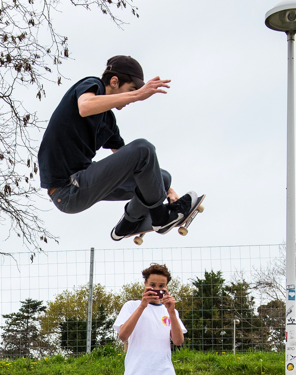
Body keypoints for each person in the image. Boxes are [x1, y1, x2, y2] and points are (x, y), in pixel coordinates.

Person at [39, 55, 203, 242]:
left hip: (86, 184)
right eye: (130, 90)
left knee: (161, 177)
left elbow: (137, 164)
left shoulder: (108, 121)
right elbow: (85, 107)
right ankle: (161, 218)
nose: (130, 99)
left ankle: (129, 223)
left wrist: (167, 190)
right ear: (114, 81)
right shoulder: (92, 85)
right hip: (67, 189)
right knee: (143, 148)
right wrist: (139, 95)